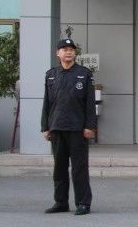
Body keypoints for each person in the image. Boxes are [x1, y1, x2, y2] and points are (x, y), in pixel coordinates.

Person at [41, 37, 97, 215]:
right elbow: (47, 102)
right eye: (64, 49)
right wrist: (45, 127)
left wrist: (90, 126)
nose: (68, 52)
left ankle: (83, 203)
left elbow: (90, 103)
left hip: (77, 128)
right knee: (59, 168)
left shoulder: (84, 74)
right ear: (57, 53)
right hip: (57, 127)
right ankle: (61, 202)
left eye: (71, 49)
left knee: (79, 168)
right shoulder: (51, 75)